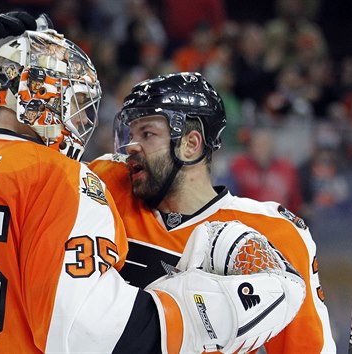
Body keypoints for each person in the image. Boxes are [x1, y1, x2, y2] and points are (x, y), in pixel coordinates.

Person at [0, 12, 305, 354]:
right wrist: (224, 306)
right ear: (42, 98)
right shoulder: (63, 177)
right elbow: (89, 333)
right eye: (76, 103)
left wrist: (2, 84)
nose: (80, 122)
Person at [89, 72, 337, 353]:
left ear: (191, 144)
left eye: (147, 134)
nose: (131, 146)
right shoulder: (105, 183)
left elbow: (307, 348)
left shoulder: (277, 232)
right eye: (130, 134)